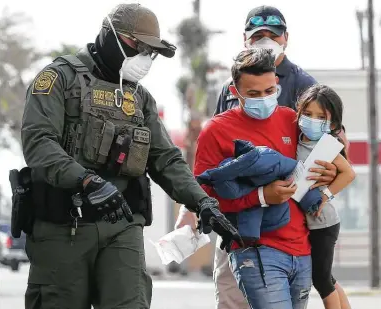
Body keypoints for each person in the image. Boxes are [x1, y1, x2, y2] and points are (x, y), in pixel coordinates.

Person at [20, 3, 242, 309]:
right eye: (137, 46)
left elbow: (165, 158)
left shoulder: (139, 98)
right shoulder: (59, 79)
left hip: (121, 226)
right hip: (64, 225)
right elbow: (39, 144)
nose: (144, 58)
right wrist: (87, 181)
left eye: (150, 52)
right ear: (109, 36)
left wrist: (202, 201)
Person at [193, 48, 337, 309]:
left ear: (277, 84)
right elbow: (203, 199)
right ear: (234, 93)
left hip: (301, 250)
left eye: (269, 91)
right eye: (254, 94)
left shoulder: (292, 119)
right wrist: (260, 197)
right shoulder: (215, 131)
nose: (264, 99)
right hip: (255, 251)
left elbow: (327, 153)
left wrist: (331, 173)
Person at [297, 84, 354, 309]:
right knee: (325, 276)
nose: (312, 120)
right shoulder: (299, 139)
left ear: (332, 123)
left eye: (321, 117)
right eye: (308, 114)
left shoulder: (327, 144)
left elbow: (348, 172)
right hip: (313, 224)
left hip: (324, 224)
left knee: (320, 279)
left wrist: (325, 195)